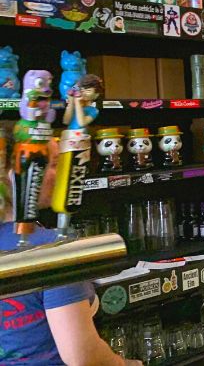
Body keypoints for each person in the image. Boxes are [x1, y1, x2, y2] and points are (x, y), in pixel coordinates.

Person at [0, 138, 141, 366]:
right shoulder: (51, 249)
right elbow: (82, 356)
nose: (60, 175)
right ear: (15, 176)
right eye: (53, 164)